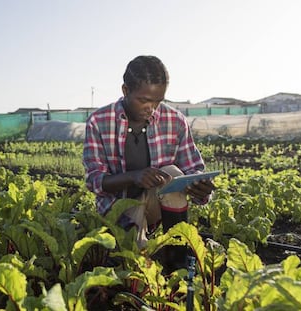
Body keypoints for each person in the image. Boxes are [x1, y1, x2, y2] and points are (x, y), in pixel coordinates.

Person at [82, 55, 214, 272]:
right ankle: (137, 249)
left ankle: (176, 261)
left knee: (172, 172)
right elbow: (94, 180)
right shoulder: (99, 121)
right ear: (125, 91)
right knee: (135, 265)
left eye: (158, 101)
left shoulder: (175, 121)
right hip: (117, 209)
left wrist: (199, 187)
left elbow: (193, 169)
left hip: (154, 206)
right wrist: (133, 176)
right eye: (144, 100)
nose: (151, 108)